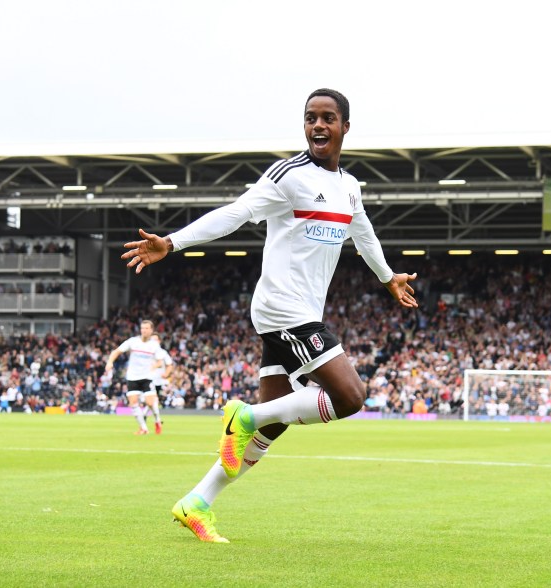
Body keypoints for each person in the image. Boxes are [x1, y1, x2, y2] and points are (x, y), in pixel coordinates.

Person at [121, 88, 418, 543]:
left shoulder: (350, 188)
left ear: (345, 127)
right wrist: (174, 242)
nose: (318, 126)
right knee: (351, 396)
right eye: (310, 118)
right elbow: (236, 213)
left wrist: (387, 277)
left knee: (273, 423)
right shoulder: (289, 175)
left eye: (328, 118)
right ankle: (245, 415)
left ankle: (197, 501)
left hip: (299, 311)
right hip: (282, 307)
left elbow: (364, 234)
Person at [104, 319, 164, 435]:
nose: (144, 331)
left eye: (147, 328)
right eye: (142, 328)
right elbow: (117, 351)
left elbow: (160, 361)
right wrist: (110, 362)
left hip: (147, 377)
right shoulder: (133, 342)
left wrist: (155, 365)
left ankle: (157, 421)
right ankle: (144, 428)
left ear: (151, 330)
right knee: (133, 402)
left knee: (151, 403)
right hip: (133, 376)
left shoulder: (154, 345)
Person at [147, 333, 174, 434]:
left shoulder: (163, 353)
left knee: (152, 402)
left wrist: (166, 373)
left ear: (159, 341)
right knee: (150, 402)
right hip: (146, 379)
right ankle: (156, 421)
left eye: (155, 340)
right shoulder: (147, 352)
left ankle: (155, 422)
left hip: (157, 381)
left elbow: (170, 364)